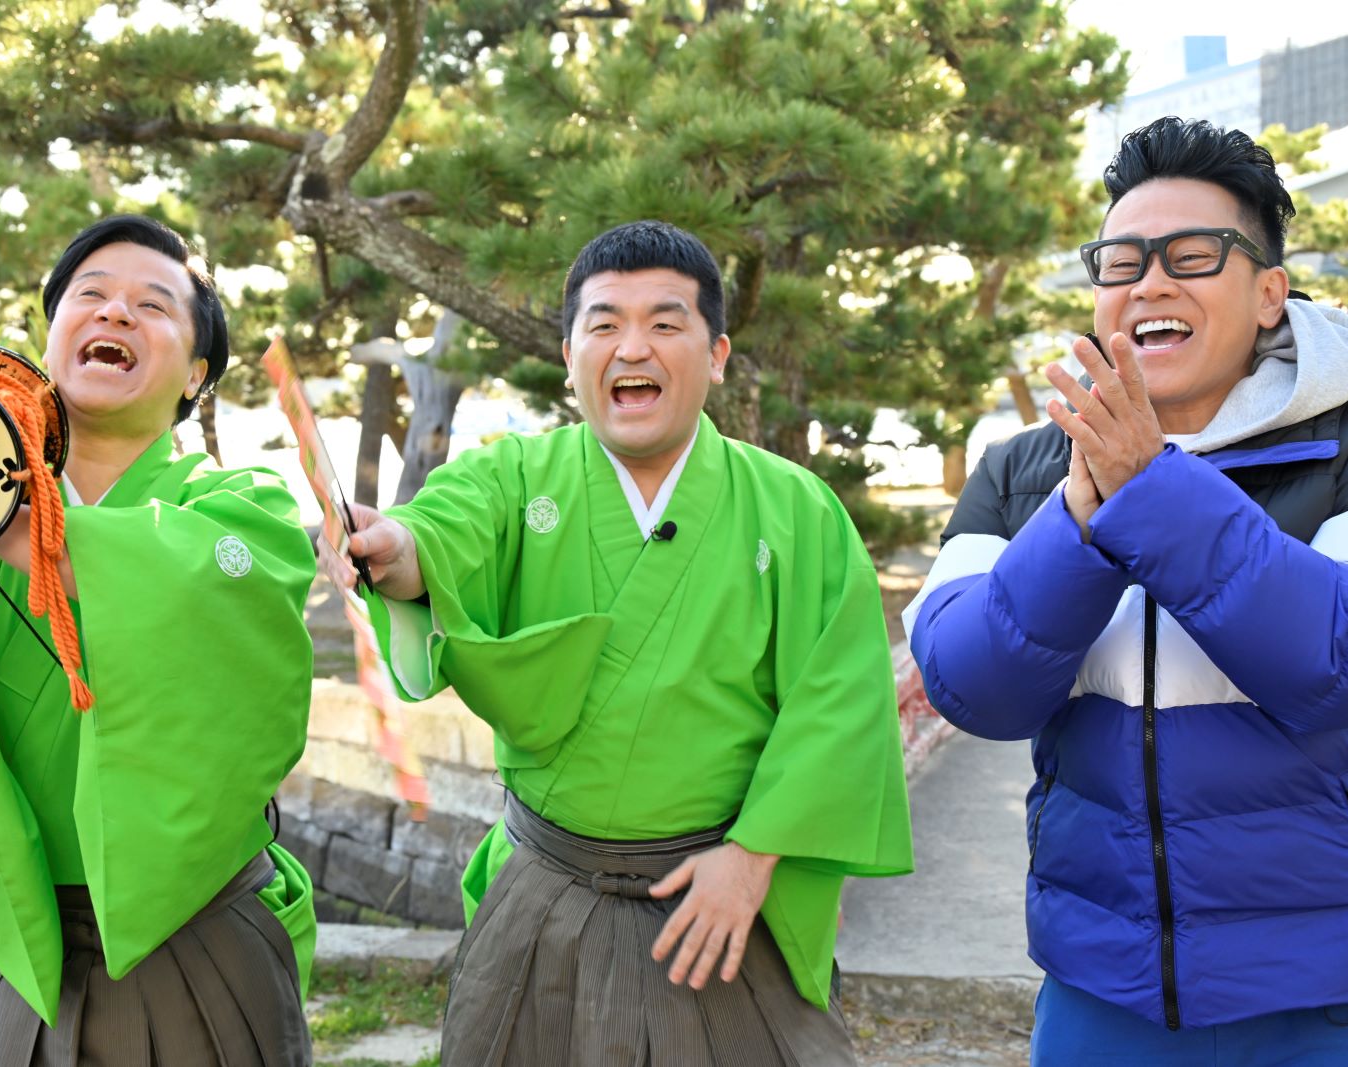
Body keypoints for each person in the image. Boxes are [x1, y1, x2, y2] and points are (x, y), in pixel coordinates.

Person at [326, 220, 913, 1066]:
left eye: (665, 323)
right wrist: (395, 550)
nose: (631, 346)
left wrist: (753, 859)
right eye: (604, 325)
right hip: (545, 888)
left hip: (714, 901)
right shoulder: (515, 476)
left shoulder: (796, 509)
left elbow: (843, 701)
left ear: (716, 353)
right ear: (570, 356)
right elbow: (438, 532)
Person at [0, 215, 319, 1065]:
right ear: (51, 336)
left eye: (152, 305)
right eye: (91, 296)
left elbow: (200, 587)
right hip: (31, 946)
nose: (114, 315)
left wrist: (5, 514)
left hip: (203, 929)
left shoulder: (239, 503)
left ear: (195, 374)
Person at [904, 116, 1348, 1064]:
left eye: (1194, 256)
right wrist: (1078, 519)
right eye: (1123, 262)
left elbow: (1337, 664)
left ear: (1270, 293)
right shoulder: (1023, 468)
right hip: (1098, 988)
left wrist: (1151, 493)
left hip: (1326, 991)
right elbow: (972, 684)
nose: (1151, 281)